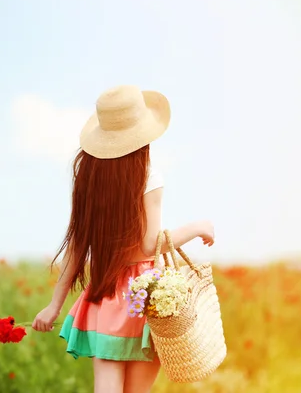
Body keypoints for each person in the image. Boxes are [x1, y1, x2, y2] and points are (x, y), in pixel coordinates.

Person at [32, 85, 215, 393]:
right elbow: (149, 245)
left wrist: (54, 304)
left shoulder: (88, 177)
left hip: (105, 293)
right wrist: (196, 227)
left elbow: (77, 245)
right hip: (145, 298)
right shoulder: (148, 176)